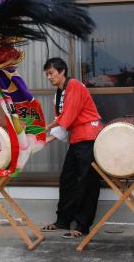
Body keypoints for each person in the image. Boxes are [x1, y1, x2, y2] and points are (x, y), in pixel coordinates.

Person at [41, 57, 103, 239]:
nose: (49, 77)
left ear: (62, 71)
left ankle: (82, 226)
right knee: (67, 178)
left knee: (87, 182)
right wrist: (47, 136)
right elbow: (63, 120)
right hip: (76, 139)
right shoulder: (59, 92)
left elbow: (68, 116)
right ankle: (63, 220)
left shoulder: (74, 85)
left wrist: (46, 132)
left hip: (89, 137)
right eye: (47, 74)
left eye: (51, 73)